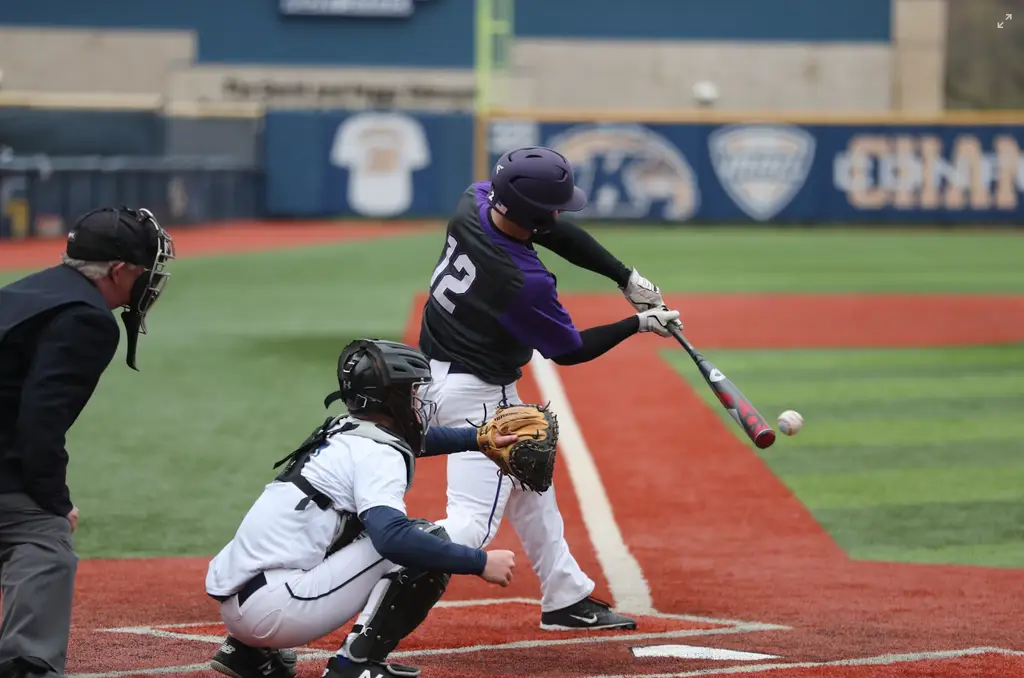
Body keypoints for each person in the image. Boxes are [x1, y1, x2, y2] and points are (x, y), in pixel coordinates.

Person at [417, 146, 680, 631]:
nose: (561, 212)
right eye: (555, 205)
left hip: (432, 373)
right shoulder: (524, 281)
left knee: (530, 483)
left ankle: (565, 595)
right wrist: (639, 323)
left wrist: (624, 276)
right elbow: (569, 350)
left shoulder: (473, 202)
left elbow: (550, 229)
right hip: (478, 395)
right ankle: (371, 562)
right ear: (534, 213)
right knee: (471, 525)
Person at [205, 339, 520, 678]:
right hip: (277, 610)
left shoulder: (345, 429)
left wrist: (478, 439)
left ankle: (247, 653)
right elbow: (392, 540)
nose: (420, 400)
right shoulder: (378, 455)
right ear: (393, 398)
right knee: (419, 539)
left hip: (242, 603)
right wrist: (479, 562)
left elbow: (416, 441)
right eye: (413, 391)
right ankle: (355, 664)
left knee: (351, 527)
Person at [0, 207, 175, 678]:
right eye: (146, 270)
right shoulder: (86, 318)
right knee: (43, 538)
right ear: (120, 271)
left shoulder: (28, 290)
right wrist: (54, 502)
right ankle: (26, 666)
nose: (152, 280)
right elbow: (41, 423)